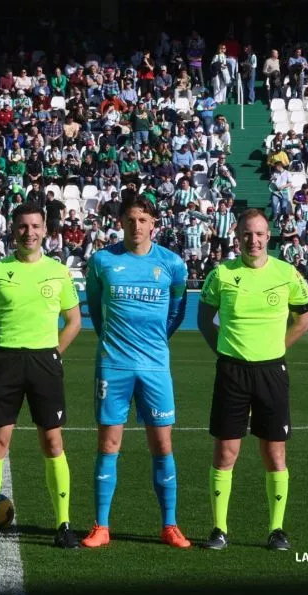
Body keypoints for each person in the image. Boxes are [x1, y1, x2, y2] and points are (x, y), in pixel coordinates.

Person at [0, 203, 83, 549]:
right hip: (6, 363)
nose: (28, 232)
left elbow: (74, 321)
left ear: (45, 230)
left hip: (44, 362)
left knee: (52, 443)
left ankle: (63, 524)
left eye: (35, 226)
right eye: (22, 226)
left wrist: (52, 354)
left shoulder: (58, 271)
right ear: (12, 230)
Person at [197, 209, 308, 551]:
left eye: (260, 234)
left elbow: (303, 321)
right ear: (238, 236)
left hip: (271, 372)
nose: (254, 240)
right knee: (226, 451)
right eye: (247, 234)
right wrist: (225, 352)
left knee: (274, 453)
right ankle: (219, 529)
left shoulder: (287, 274)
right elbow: (205, 320)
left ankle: (277, 529)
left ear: (268, 237)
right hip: (232, 371)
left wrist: (276, 349)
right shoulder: (221, 274)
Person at [81, 197, 191, 549]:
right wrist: (115, 344)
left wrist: (154, 343)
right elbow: (97, 313)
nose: (137, 226)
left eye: (143, 219)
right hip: (114, 365)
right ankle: (101, 526)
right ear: (121, 222)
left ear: (154, 222)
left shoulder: (172, 264)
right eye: (131, 219)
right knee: (109, 444)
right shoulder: (102, 261)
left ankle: (170, 525)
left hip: (155, 367)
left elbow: (176, 312)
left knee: (162, 445)